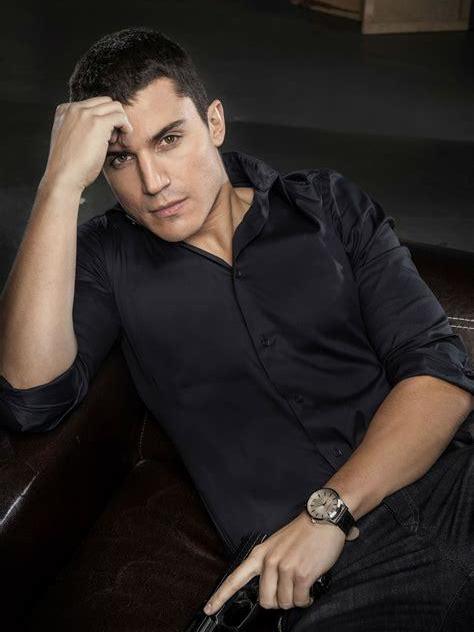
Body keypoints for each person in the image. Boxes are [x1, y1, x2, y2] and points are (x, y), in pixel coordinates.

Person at [0, 27, 473, 631]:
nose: (153, 182)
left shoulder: (325, 205)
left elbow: (439, 373)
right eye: (120, 158)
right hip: (322, 582)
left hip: (449, 489)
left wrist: (328, 514)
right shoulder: (103, 260)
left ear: (215, 123)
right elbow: (31, 399)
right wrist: (58, 184)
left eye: (169, 139)